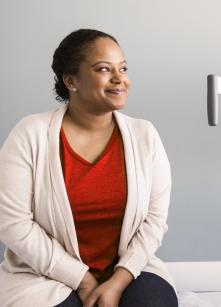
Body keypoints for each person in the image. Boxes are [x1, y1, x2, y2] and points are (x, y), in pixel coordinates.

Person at [0, 29, 178, 307]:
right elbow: (14, 224)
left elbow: (154, 221)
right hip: (44, 275)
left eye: (123, 68)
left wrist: (118, 281)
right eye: (104, 69)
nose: (120, 78)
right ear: (71, 81)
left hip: (129, 269)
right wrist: (82, 280)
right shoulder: (29, 134)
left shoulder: (145, 135)